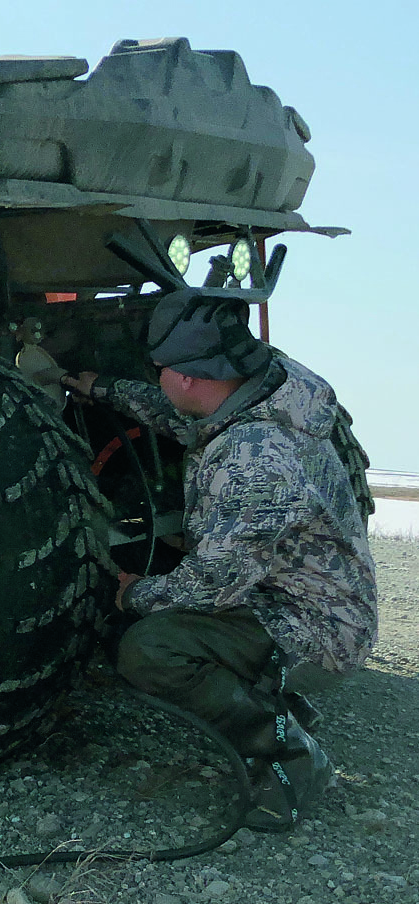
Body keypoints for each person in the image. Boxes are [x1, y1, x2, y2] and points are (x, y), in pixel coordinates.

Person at [62, 288, 376, 831]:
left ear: (188, 376)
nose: (157, 377)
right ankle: (273, 701)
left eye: (158, 368)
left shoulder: (259, 459)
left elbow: (209, 588)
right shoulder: (257, 395)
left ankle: (289, 753)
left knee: (148, 649)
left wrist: (134, 592)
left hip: (316, 628)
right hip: (299, 598)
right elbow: (175, 416)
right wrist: (99, 388)